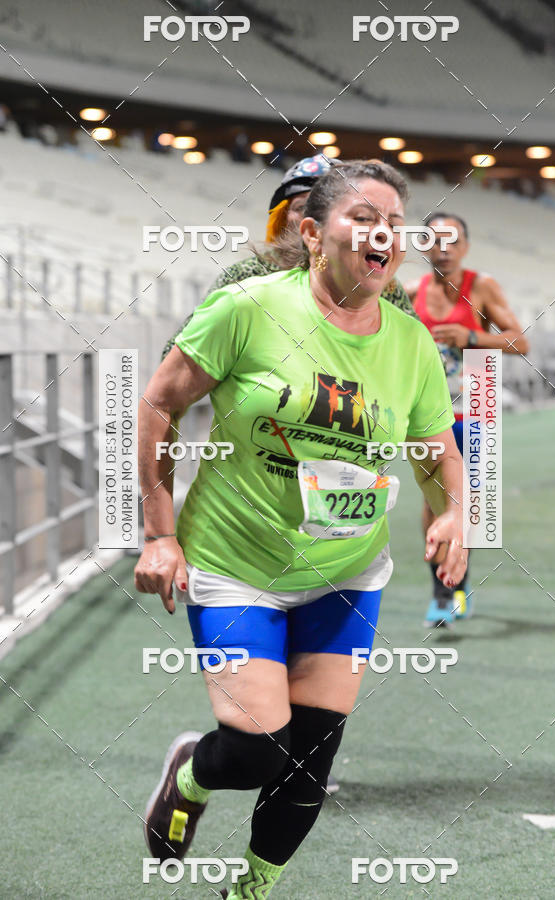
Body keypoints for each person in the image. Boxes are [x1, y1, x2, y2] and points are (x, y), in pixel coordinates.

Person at [134, 161, 468, 898]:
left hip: (345, 572)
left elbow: (436, 448)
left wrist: (454, 510)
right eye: (363, 217)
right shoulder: (247, 306)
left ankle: (250, 890)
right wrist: (158, 534)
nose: (383, 233)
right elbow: (158, 403)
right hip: (235, 563)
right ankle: (193, 769)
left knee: (309, 763)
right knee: (256, 751)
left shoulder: (409, 341)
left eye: (394, 223)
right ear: (313, 233)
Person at [161, 156, 416, 360]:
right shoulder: (247, 276)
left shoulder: (380, 283)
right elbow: (176, 354)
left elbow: (416, 362)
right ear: (283, 217)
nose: (315, 217)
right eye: (302, 207)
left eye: (326, 210)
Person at [405, 212, 529, 627]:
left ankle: (459, 584)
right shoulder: (412, 292)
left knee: (469, 505)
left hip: (477, 405)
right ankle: (443, 589)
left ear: (465, 246)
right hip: (428, 412)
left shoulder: (481, 286)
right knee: (432, 499)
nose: (442, 248)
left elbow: (519, 341)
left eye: (451, 240)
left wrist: (472, 337)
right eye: (433, 240)